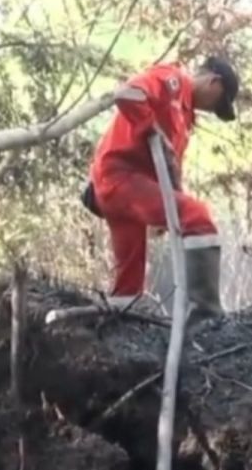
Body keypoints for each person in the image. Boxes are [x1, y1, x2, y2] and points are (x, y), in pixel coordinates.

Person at [82, 55, 240, 323]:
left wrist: (171, 205)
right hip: (119, 177)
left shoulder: (185, 117)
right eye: (218, 102)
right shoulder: (173, 81)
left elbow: (171, 166)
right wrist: (151, 128)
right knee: (199, 217)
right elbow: (127, 94)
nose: (212, 110)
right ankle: (206, 312)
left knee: (129, 286)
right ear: (214, 82)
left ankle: (121, 330)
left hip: (131, 190)